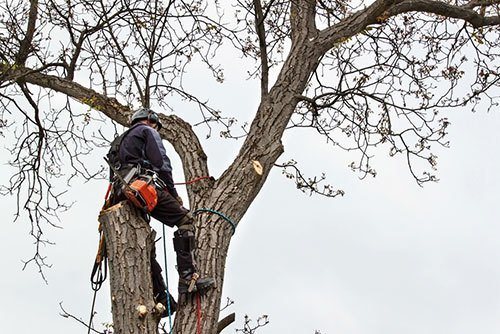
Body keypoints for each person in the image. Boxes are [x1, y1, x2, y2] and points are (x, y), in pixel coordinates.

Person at [106, 107, 215, 315]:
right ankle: (187, 276)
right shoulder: (148, 131)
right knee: (185, 220)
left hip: (122, 193)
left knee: (145, 244)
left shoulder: (118, 142)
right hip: (140, 187)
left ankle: (162, 297)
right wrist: (172, 193)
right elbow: (161, 163)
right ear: (151, 121)